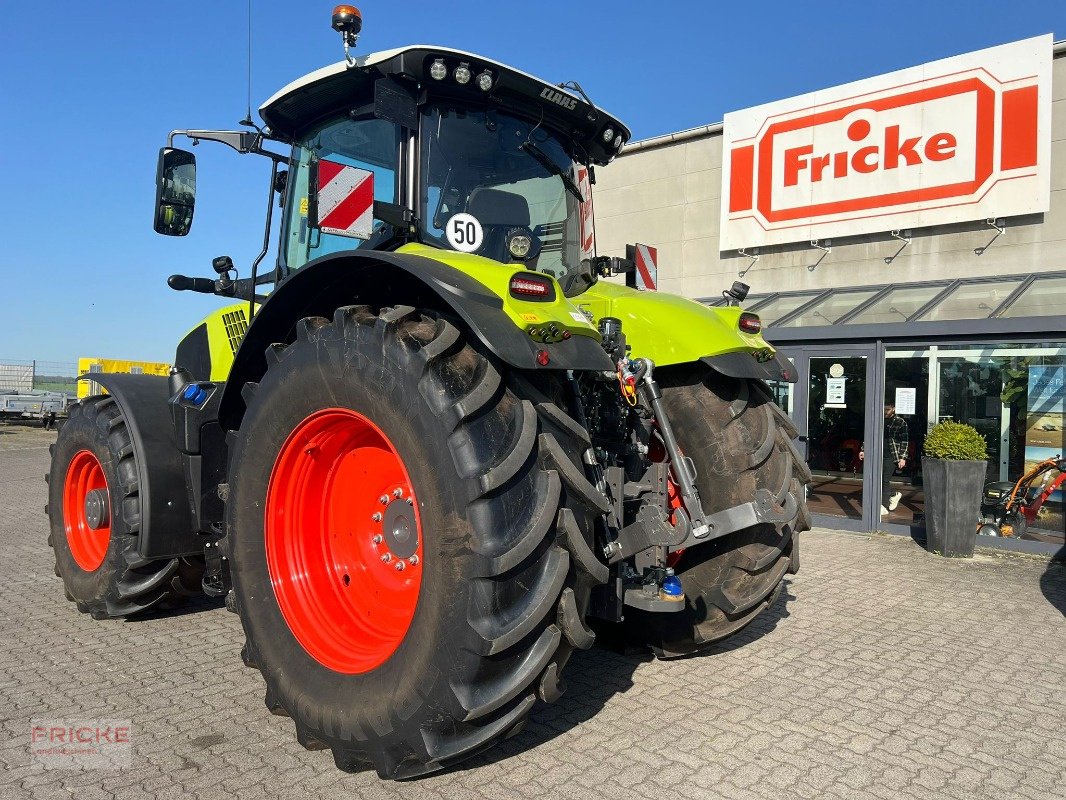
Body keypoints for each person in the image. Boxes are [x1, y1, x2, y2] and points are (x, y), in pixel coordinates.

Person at [859, 403, 909, 517]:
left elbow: (904, 441)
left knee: (884, 480)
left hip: (892, 455)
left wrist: (903, 458)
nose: (886, 411)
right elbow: (869, 435)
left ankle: (883, 506)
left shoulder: (900, 422)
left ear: (894, 409)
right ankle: (894, 494)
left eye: (888, 409)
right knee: (878, 479)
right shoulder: (877, 419)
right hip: (876, 453)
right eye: (884, 408)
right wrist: (863, 449)